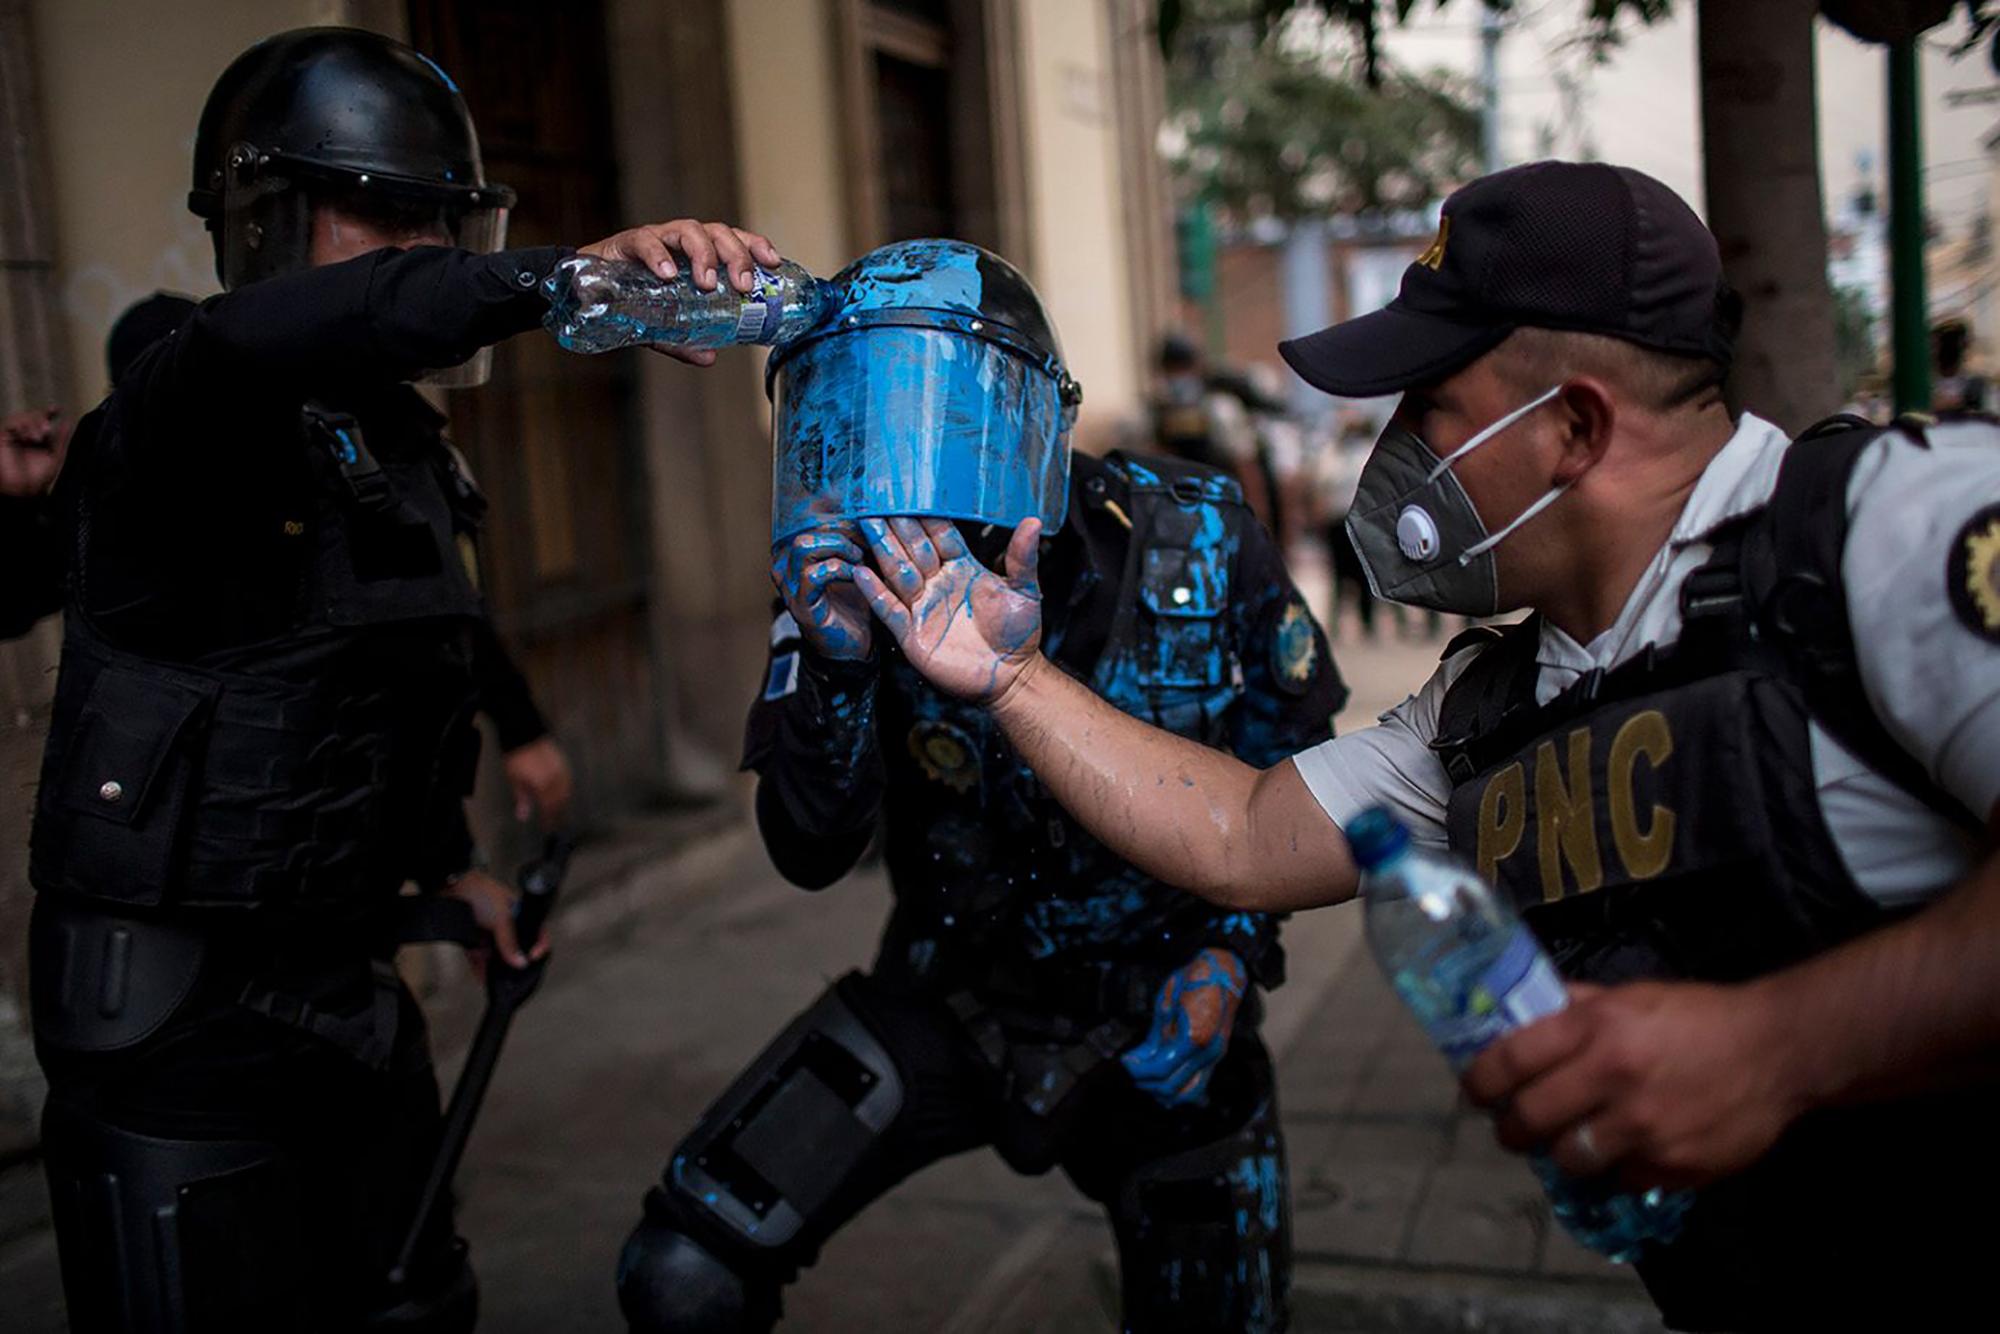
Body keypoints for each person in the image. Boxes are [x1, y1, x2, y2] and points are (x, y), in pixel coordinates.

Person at [843, 161, 2000, 1331]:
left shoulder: (1889, 532)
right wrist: (1012, 679)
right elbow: (1247, 833)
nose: (1394, 448)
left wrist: (1773, 1046)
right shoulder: (1491, 705)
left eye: (1428, 409)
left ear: (1573, 426)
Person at [28, 27, 776, 1333]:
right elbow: (283, 337)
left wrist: (446, 878)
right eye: (379, 218)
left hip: (350, 1007)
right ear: (265, 224)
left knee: (416, 1305)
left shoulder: (399, 442)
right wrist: (560, 279)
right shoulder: (178, 404)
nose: (424, 252)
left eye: (440, 221)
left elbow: (385, 674)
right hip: (180, 1038)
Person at [615, 239, 1345, 1334]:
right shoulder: (850, 584)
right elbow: (808, 849)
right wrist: (836, 665)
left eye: (949, 423)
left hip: (1162, 991)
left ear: (1037, 424)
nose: (908, 472)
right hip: (948, 990)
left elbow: (1298, 756)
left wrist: (1231, 957)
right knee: (681, 1270)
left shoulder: (1198, 529)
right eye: (862, 426)